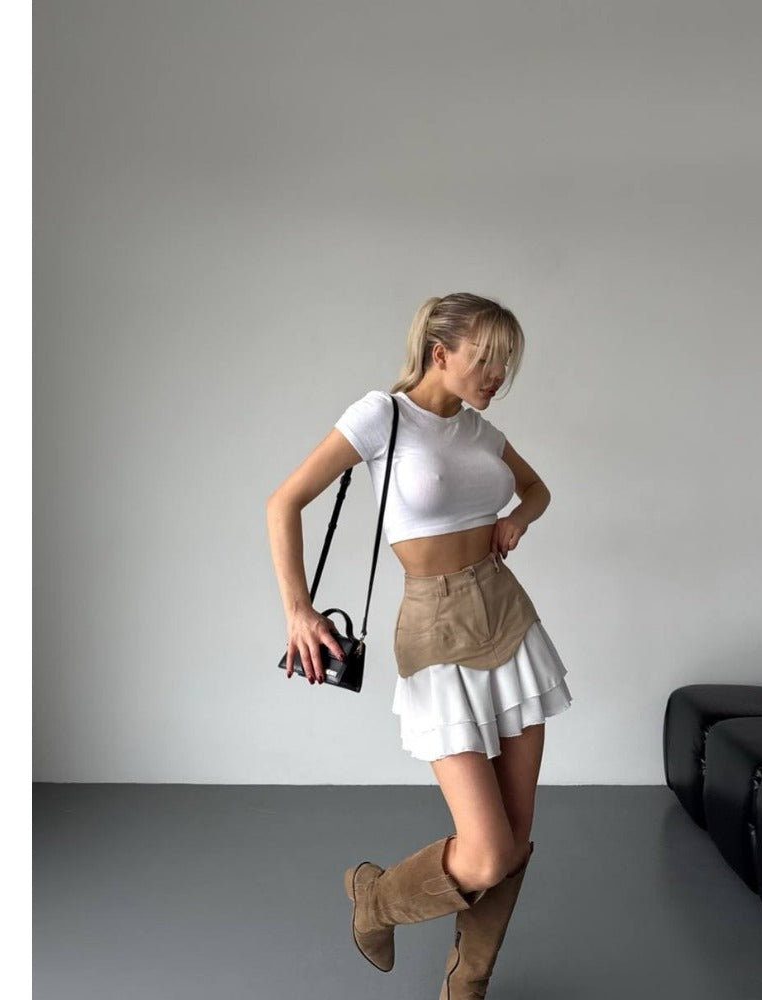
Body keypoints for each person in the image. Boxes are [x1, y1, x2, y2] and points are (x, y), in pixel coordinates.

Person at [266, 292, 573, 998]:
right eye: (487, 359)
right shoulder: (383, 415)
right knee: (485, 851)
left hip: (509, 616)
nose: (499, 376)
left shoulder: (479, 430)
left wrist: (519, 518)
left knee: (514, 840)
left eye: (507, 363)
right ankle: (375, 899)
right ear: (441, 353)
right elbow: (284, 501)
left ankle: (466, 987)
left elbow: (537, 489)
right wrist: (297, 610)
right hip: (434, 627)